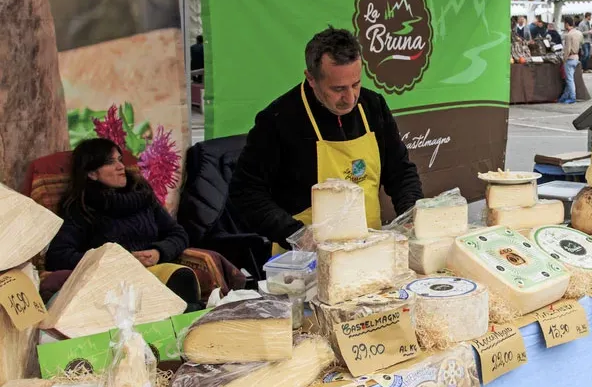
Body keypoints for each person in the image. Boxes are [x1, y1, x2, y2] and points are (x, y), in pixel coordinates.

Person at [229, 27, 423, 249]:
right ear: (311, 79)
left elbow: (400, 171)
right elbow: (245, 191)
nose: (350, 99)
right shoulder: (277, 120)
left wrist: (410, 215)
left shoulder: (373, 106)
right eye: (338, 89)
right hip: (305, 259)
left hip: (369, 250)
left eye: (356, 84)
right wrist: (296, 235)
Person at [46, 138, 199, 304]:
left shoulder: (142, 195)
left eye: (119, 160)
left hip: (153, 270)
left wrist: (158, 252)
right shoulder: (82, 207)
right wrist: (113, 260)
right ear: (92, 173)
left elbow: (178, 233)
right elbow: (57, 256)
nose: (120, 167)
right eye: (110, 163)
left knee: (182, 278)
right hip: (112, 282)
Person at [559, 18, 583, 104]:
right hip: (576, 57)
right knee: (570, 79)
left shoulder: (569, 35)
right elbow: (581, 45)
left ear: (566, 24)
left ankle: (573, 97)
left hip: (570, 58)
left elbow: (567, 49)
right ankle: (564, 97)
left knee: (569, 80)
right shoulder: (579, 33)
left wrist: (564, 59)